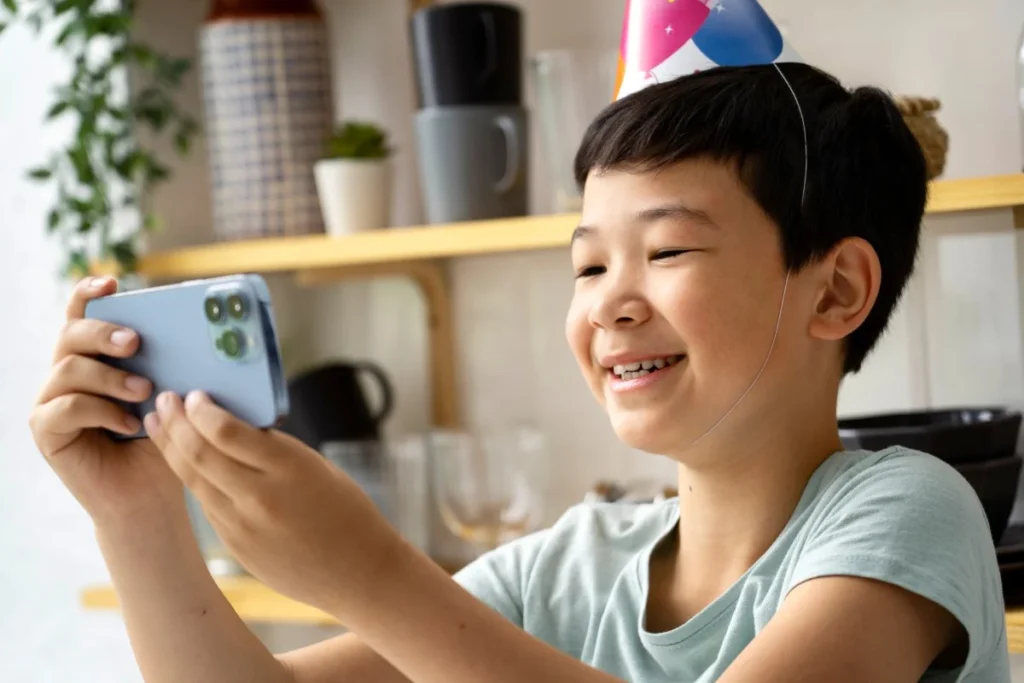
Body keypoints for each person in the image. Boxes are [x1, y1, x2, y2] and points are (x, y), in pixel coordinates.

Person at [30, 63, 1009, 683]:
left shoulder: (907, 510)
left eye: (665, 252)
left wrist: (376, 574)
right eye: (588, 264)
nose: (609, 301)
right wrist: (139, 519)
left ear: (835, 290)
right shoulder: (566, 565)